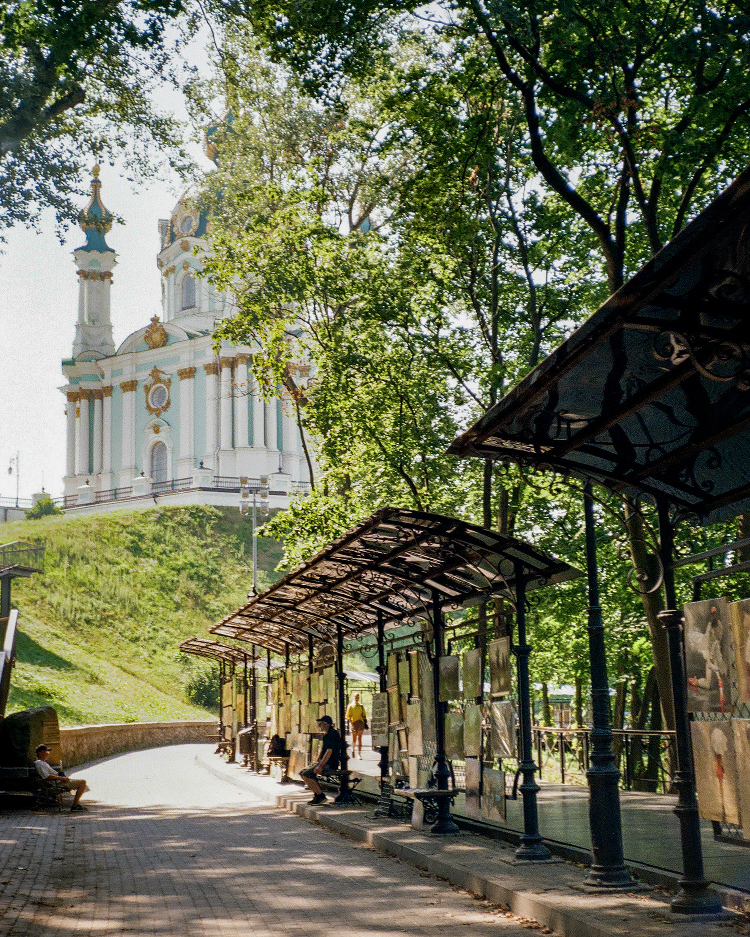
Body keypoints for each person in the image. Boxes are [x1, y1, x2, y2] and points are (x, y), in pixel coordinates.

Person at [300, 715, 341, 805]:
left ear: (325, 724)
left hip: (330, 763)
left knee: (307, 774)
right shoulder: (326, 735)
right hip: (323, 762)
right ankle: (317, 795)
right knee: (303, 773)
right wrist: (317, 760)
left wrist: (320, 766)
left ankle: (321, 796)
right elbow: (323, 750)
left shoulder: (332, 734)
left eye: (320, 723)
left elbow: (329, 751)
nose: (319, 725)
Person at [34, 744, 88, 811]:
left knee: (80, 782)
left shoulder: (42, 763)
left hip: (58, 781)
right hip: (57, 784)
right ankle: (75, 805)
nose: (47, 754)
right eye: (46, 752)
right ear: (40, 753)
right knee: (82, 782)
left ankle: (76, 804)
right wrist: (61, 778)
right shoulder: (39, 763)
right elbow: (47, 777)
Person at [346, 692, 367, 758]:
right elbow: (348, 716)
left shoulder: (361, 706)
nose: (356, 698)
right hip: (353, 723)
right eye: (355, 697)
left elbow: (364, 715)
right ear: (353, 697)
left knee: (360, 739)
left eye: (358, 697)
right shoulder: (350, 706)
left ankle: (359, 754)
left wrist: (364, 721)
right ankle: (353, 749)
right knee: (354, 739)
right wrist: (351, 724)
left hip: (360, 723)